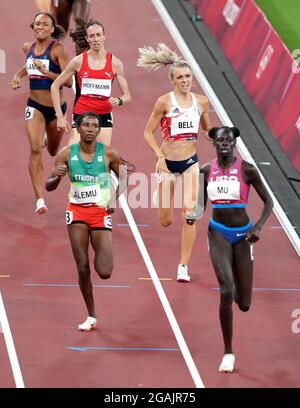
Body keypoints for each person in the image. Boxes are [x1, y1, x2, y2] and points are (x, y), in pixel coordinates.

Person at [200, 126, 273, 373]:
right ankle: (228, 352)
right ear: (214, 143)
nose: (224, 144)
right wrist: (192, 214)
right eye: (220, 140)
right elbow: (200, 205)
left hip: (243, 236)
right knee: (226, 291)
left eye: (228, 140)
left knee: (243, 303)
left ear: (234, 144)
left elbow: (268, 201)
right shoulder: (206, 170)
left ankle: (237, 278)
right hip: (218, 231)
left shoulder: (247, 170)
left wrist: (259, 227)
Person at [45, 112, 126, 331]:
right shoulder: (65, 154)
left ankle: (103, 253)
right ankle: (91, 314)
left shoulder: (108, 153)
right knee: (82, 267)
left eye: (94, 125)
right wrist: (55, 176)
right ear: (78, 129)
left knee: (105, 271)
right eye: (86, 125)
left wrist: (114, 200)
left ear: (99, 130)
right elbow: (49, 185)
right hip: (77, 213)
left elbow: (125, 176)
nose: (90, 128)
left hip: (100, 213)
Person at [138, 43, 211, 283]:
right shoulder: (164, 103)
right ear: (172, 80)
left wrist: (218, 137)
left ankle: (183, 266)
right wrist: (159, 155)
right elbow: (147, 133)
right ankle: (162, 193)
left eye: (188, 76)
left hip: (190, 162)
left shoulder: (201, 102)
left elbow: (208, 129)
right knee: (166, 221)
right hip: (167, 164)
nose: (185, 80)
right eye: (180, 77)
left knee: (190, 213)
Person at [11, 12, 71, 215]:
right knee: (35, 149)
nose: (40, 27)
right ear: (33, 26)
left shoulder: (58, 50)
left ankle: (48, 138)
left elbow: (70, 81)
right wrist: (18, 75)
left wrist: (46, 72)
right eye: (37, 24)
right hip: (34, 105)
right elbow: (29, 65)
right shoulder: (27, 48)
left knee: (53, 151)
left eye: (45, 24)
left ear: (52, 29)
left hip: (55, 109)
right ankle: (40, 200)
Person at [51, 19, 131, 146]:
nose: (95, 39)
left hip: (104, 115)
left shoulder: (115, 63)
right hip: (81, 114)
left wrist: (119, 101)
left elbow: (127, 96)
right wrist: (60, 117)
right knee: (73, 156)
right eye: (92, 36)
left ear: (104, 36)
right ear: (87, 39)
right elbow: (55, 86)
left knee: (102, 160)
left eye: (98, 35)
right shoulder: (78, 61)